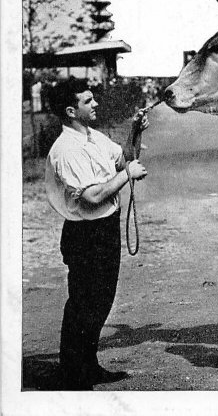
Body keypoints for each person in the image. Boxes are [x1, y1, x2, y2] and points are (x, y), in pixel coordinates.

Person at [44, 79, 149, 390]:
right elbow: (91, 197)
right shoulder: (66, 149)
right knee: (84, 303)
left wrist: (136, 129)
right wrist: (126, 175)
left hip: (104, 228)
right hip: (84, 233)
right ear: (71, 111)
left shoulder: (94, 137)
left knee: (101, 301)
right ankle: (72, 374)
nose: (95, 104)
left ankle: (87, 367)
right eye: (88, 101)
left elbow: (124, 156)